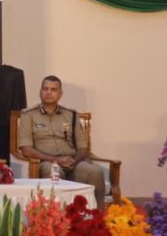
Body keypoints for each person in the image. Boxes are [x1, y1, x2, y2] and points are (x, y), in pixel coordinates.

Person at [18, 75, 106, 205]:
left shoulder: (71, 115)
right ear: (40, 91)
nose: (48, 92)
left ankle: (96, 214)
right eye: (45, 89)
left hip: (72, 162)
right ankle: (54, 215)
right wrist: (56, 160)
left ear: (60, 94)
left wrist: (73, 161)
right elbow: (26, 150)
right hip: (47, 162)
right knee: (54, 174)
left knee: (95, 172)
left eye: (53, 89)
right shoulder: (28, 115)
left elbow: (83, 147)